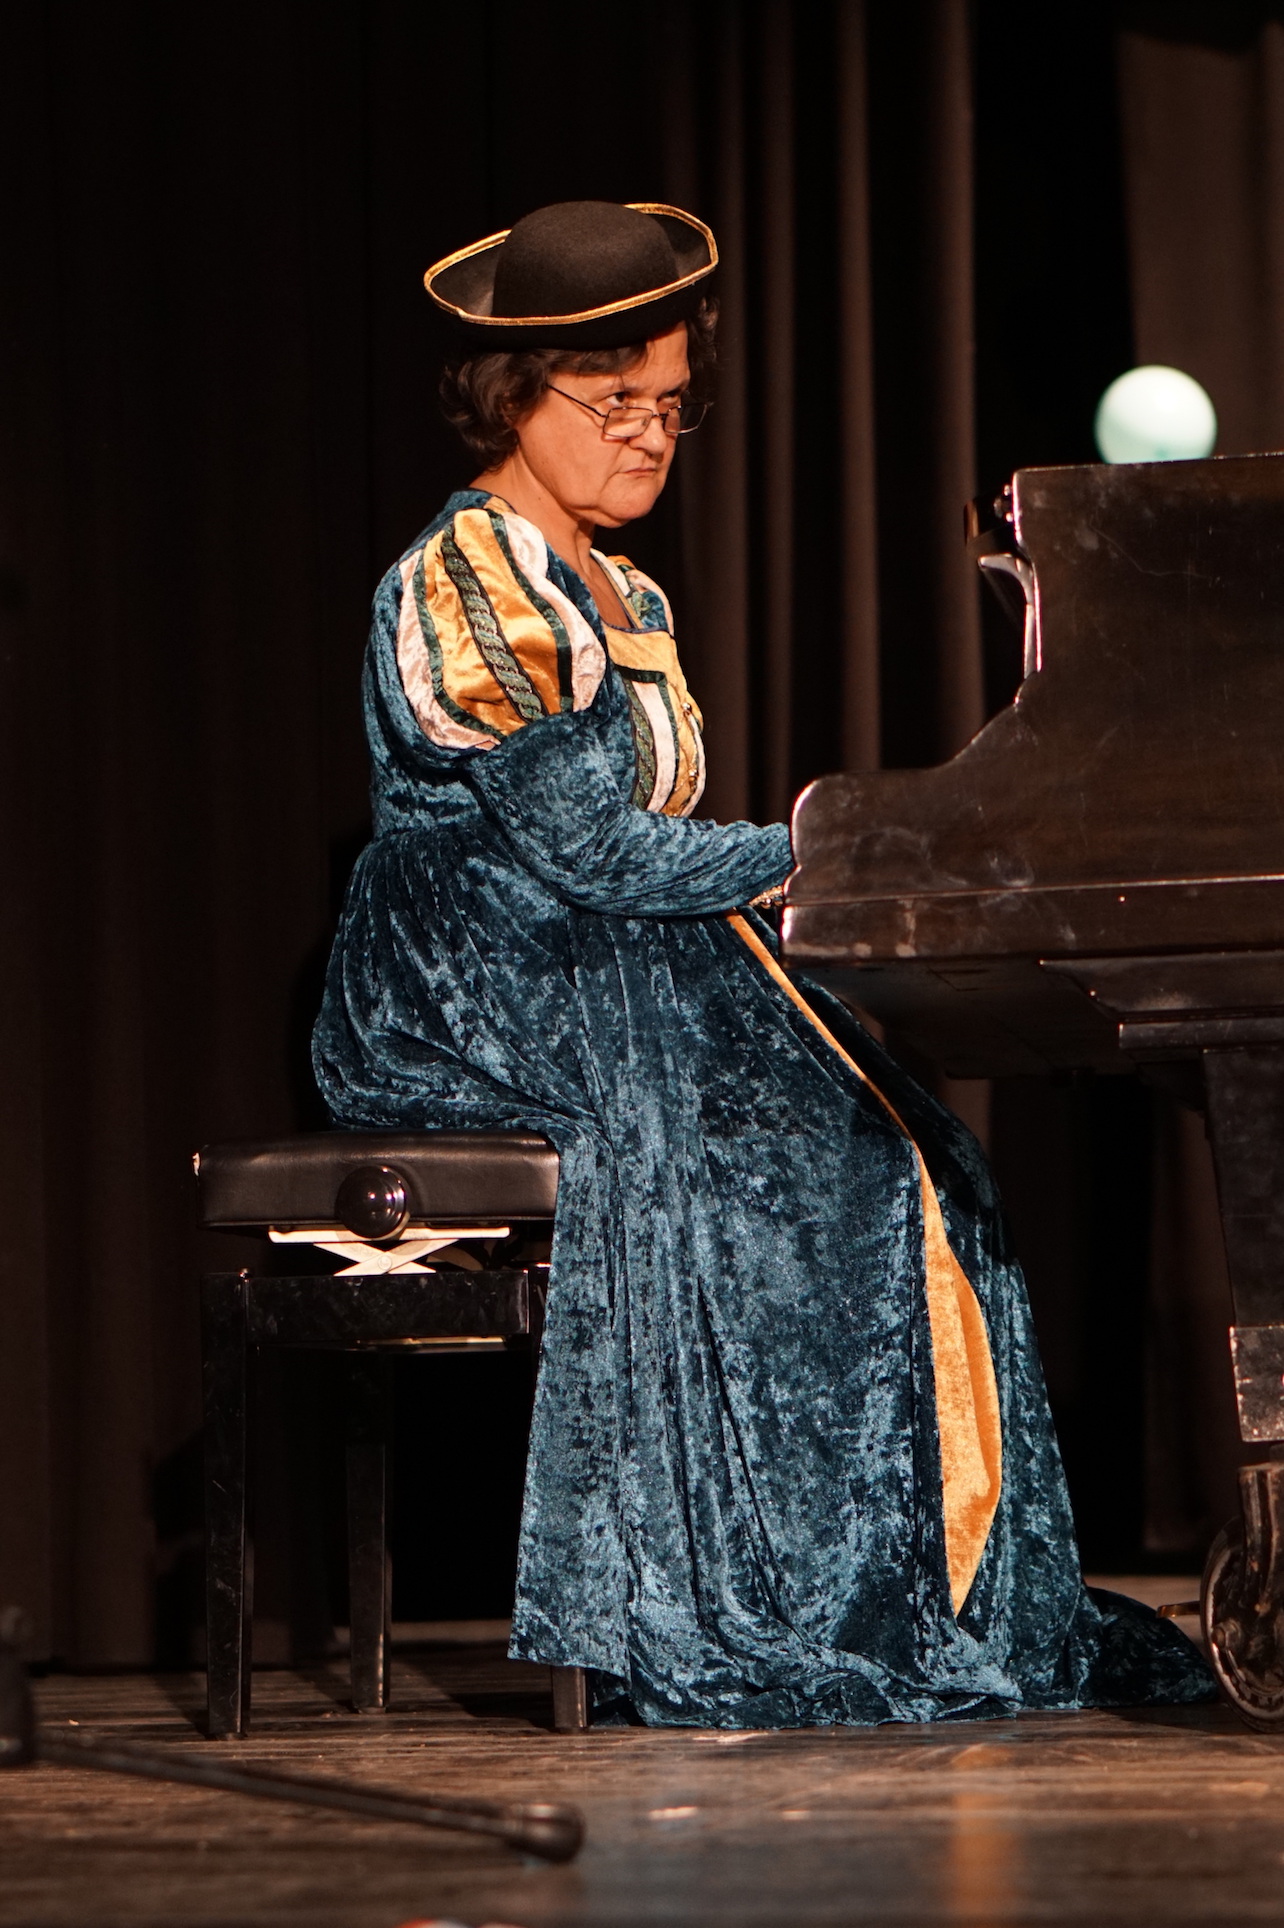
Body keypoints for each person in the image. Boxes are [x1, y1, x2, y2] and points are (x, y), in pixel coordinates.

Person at [313, 200, 1213, 1726]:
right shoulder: (468, 577)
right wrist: (819, 847)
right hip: (475, 975)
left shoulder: (630, 597)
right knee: (788, 1160)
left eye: (672, 404)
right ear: (514, 395)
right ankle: (740, 1594)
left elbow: (644, 854)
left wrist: (803, 861)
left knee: (904, 1144)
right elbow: (586, 851)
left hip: (611, 959)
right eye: (615, 403)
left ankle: (883, 1588)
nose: (650, 436)